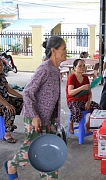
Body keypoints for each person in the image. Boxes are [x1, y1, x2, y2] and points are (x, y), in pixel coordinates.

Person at [4, 36, 67, 180]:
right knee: (31, 149)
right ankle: (12, 165)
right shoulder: (44, 69)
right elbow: (27, 92)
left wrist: (56, 119)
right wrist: (34, 116)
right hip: (36, 118)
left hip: (49, 119)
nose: (66, 52)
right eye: (63, 49)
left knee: (49, 152)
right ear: (54, 51)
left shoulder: (56, 70)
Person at [66, 59, 102, 133]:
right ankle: (71, 123)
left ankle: (88, 124)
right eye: (79, 66)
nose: (82, 67)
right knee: (76, 112)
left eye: (83, 66)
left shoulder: (85, 78)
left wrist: (88, 101)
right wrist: (82, 88)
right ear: (74, 67)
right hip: (73, 101)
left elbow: (89, 92)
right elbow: (70, 92)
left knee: (98, 109)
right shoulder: (72, 77)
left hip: (84, 101)